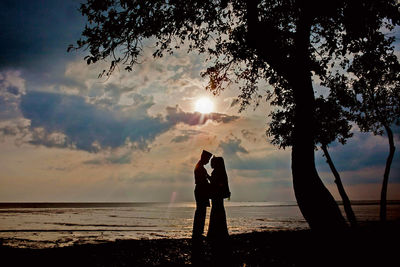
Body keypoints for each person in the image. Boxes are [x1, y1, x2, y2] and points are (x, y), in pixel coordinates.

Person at [207, 156, 231, 265]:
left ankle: (216, 233)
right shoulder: (219, 171)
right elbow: (216, 183)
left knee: (216, 212)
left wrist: (208, 179)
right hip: (218, 196)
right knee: (218, 212)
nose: (211, 164)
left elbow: (216, 183)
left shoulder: (217, 172)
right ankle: (220, 233)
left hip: (217, 196)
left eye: (212, 162)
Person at [192, 150, 213, 265]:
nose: (208, 161)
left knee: (200, 211)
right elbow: (203, 181)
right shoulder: (200, 167)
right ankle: (197, 232)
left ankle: (198, 232)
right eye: (208, 159)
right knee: (200, 211)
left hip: (201, 191)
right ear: (204, 158)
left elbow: (206, 179)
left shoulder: (200, 167)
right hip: (201, 191)